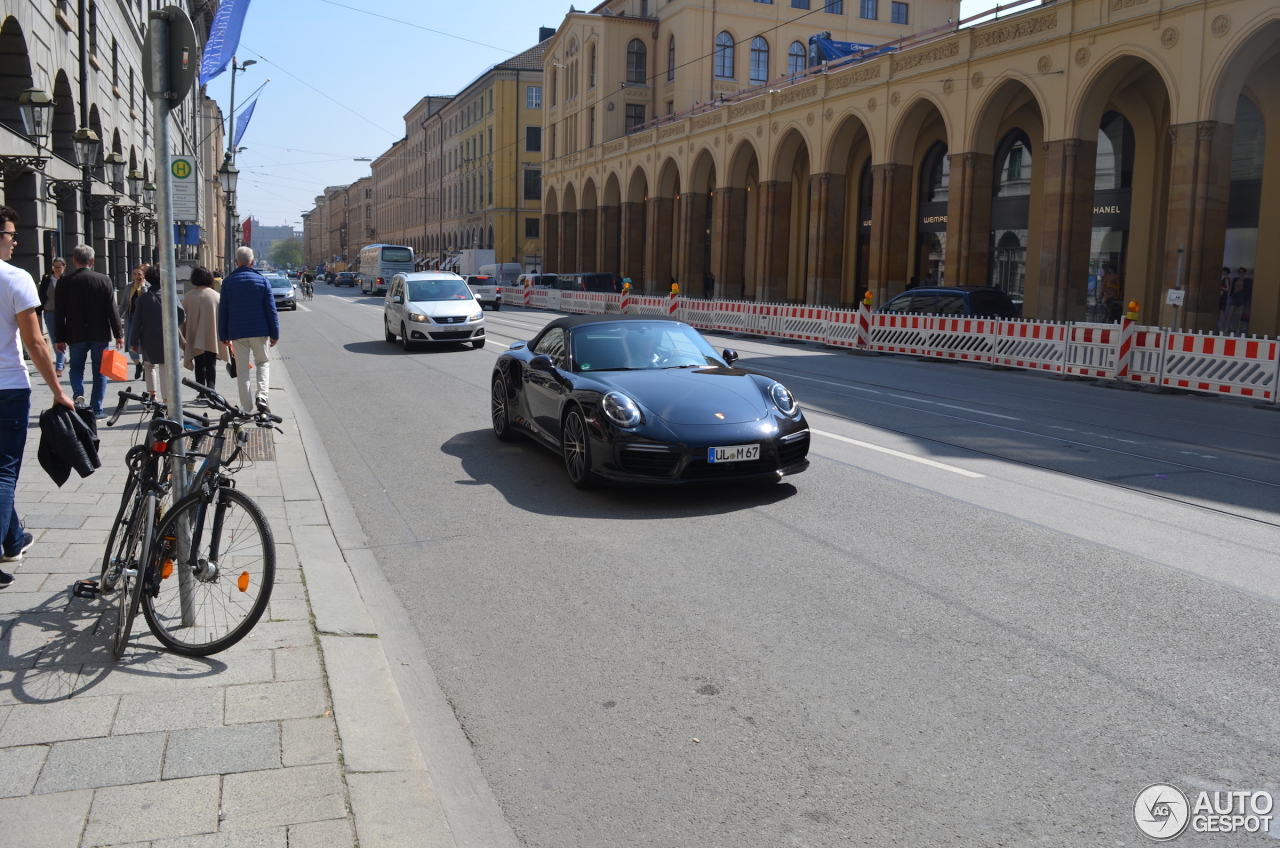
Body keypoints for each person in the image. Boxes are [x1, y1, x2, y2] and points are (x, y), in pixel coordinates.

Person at [0, 206, 74, 588]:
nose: (15, 241)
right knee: (4, 471)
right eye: (11, 234)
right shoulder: (15, 278)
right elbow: (34, 342)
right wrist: (58, 391)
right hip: (8, 388)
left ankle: (13, 540)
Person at [53, 244, 124, 418]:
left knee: (76, 367)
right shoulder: (103, 280)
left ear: (74, 260)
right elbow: (111, 309)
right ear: (92, 261)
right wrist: (118, 334)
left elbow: (59, 312)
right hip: (99, 333)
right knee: (100, 371)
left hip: (75, 333)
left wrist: (59, 338)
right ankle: (97, 409)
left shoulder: (64, 282)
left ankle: (78, 394)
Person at [219, 246, 278, 412]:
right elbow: (271, 310)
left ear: (236, 262)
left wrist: (223, 334)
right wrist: (274, 333)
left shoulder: (228, 282)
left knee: (242, 369)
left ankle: (246, 407)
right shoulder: (262, 281)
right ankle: (262, 398)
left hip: (238, 333)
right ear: (253, 262)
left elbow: (223, 311)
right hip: (260, 331)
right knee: (263, 363)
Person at [130, 266, 184, 404]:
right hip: (168, 336)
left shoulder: (144, 298)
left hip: (148, 337)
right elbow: (182, 316)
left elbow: (137, 321)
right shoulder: (171, 295)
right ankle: (166, 399)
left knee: (148, 366)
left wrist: (134, 341)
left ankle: (152, 394)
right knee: (165, 368)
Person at [182, 266, 226, 392]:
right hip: (211, 335)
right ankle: (211, 389)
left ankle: (201, 391)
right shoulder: (216, 296)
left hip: (194, 335)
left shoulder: (188, 296)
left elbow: (183, 319)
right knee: (211, 363)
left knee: (199, 362)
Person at [37, 257, 65, 377]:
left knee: (61, 338)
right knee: (54, 340)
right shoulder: (47, 279)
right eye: (55, 267)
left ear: (64, 267)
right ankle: (61, 359)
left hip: (64, 314)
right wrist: (38, 313)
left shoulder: (67, 280)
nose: (57, 269)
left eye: (59, 267)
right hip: (49, 312)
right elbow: (41, 296)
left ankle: (59, 365)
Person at [124, 264, 148, 381]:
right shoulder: (129, 287)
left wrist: (143, 287)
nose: (136, 277)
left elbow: (147, 301)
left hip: (144, 320)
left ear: (143, 275)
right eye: (134, 274)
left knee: (144, 346)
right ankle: (138, 365)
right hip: (132, 319)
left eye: (139, 274)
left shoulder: (148, 286)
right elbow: (124, 304)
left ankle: (146, 369)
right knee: (130, 346)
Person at [1227, 266, 1252, 333]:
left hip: (1242, 296)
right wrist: (1232, 295)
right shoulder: (1235, 279)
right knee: (1231, 313)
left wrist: (1248, 300)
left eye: (1242, 272)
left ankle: (1238, 329)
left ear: (1244, 273)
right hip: (1235, 296)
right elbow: (1232, 288)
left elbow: (1248, 290)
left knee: (1240, 315)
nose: (1241, 273)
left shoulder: (1247, 280)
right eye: (1240, 272)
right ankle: (1226, 328)